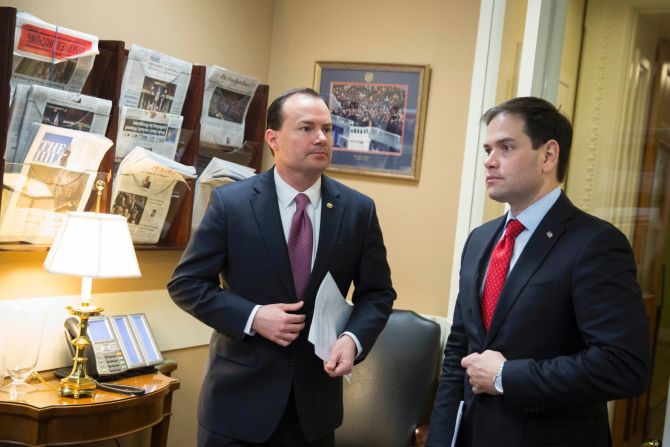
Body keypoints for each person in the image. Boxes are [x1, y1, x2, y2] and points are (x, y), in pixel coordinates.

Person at [167, 87, 396, 446]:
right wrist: (253, 316)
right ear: (273, 138)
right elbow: (186, 283)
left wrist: (353, 340)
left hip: (313, 411)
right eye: (306, 128)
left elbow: (378, 294)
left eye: (327, 128)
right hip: (237, 407)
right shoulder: (233, 204)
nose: (321, 138)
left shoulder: (358, 211)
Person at [427, 96, 649, 446]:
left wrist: (506, 376)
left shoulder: (595, 244)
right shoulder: (480, 240)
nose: (489, 161)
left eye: (506, 147)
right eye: (487, 149)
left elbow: (623, 366)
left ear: (548, 155)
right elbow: (459, 349)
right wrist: (440, 439)